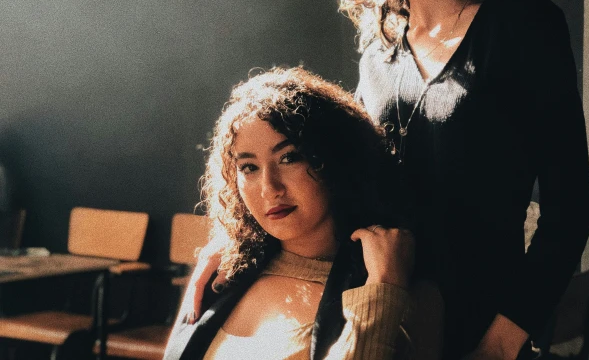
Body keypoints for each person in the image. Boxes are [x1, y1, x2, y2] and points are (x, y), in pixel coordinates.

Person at [189, 0, 589, 360]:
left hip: (481, 320)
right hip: (383, 303)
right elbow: (340, 177)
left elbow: (571, 209)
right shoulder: (378, 41)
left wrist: (502, 340)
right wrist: (237, 243)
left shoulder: (524, 25)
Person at [164, 67, 442, 360]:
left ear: (336, 159)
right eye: (249, 167)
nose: (269, 188)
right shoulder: (224, 273)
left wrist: (383, 288)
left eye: (289, 157)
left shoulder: (401, 290)